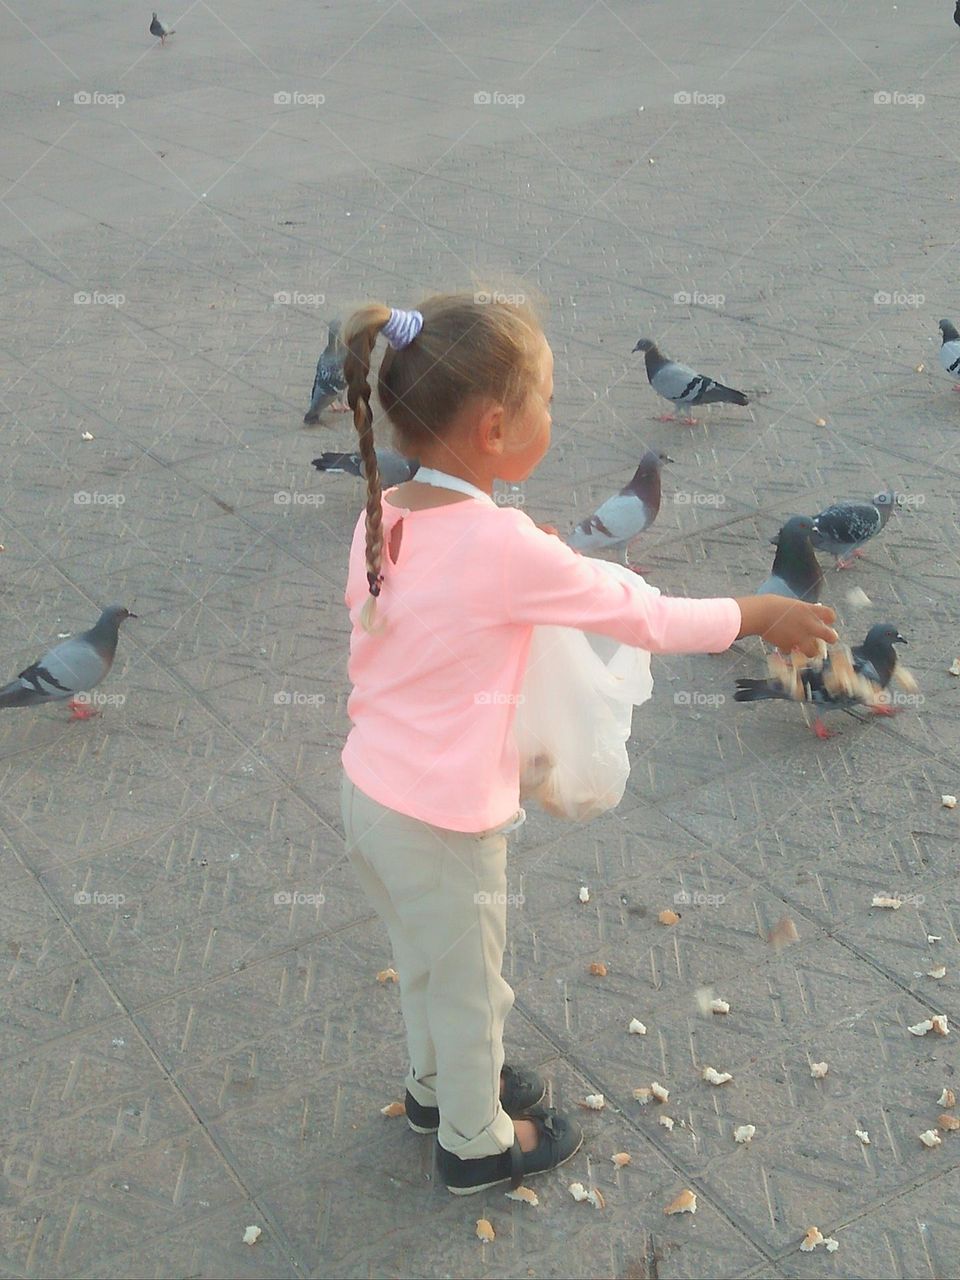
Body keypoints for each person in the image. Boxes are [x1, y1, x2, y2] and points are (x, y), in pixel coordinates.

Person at [338, 294, 837, 1195]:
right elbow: (642, 615)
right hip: (443, 821)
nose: (554, 419)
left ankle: (430, 1090)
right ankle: (475, 1143)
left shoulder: (384, 512)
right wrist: (760, 611)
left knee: (424, 961)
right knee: (469, 988)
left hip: (367, 793)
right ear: (495, 428)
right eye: (549, 401)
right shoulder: (501, 543)